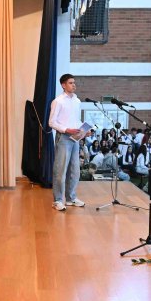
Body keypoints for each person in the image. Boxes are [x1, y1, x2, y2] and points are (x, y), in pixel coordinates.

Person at [49, 73, 89, 211]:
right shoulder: (58, 101)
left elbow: (76, 120)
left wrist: (84, 130)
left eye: (74, 82)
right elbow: (51, 122)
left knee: (75, 170)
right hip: (64, 137)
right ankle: (57, 200)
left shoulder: (77, 101)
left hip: (75, 137)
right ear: (63, 85)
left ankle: (71, 198)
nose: (74, 85)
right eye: (71, 83)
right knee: (60, 170)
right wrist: (67, 129)